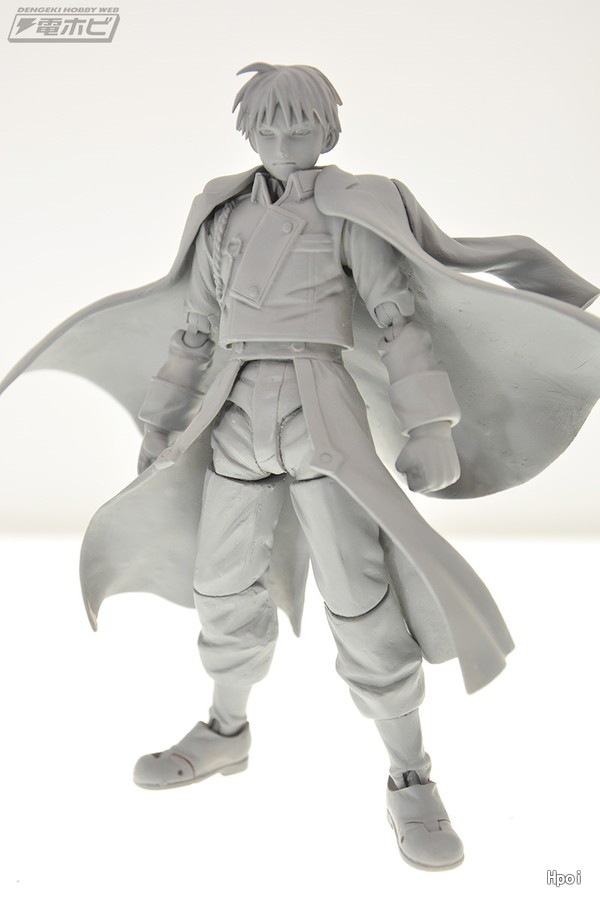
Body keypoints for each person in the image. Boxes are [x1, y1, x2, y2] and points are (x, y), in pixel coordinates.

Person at [2, 62, 598, 873]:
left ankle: (410, 774)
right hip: (233, 414)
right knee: (221, 588)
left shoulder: (354, 211)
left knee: (361, 601)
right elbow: (194, 330)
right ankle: (226, 730)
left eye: (302, 128)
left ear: (329, 130)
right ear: (247, 133)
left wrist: (430, 424)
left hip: (323, 414)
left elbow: (400, 319)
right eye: (269, 129)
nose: (285, 143)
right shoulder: (222, 216)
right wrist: (161, 419)